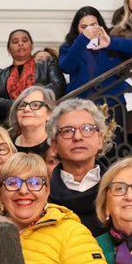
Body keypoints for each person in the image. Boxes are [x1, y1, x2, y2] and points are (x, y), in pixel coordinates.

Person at [57, 8, 132, 107]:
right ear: (77, 29)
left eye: (93, 25)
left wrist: (111, 43)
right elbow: (66, 67)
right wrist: (82, 40)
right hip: (81, 104)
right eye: (84, 27)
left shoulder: (111, 41)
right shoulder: (69, 46)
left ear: (100, 25)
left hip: (112, 102)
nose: (89, 30)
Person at [48, 98, 111, 231]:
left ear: (100, 140)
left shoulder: (119, 189)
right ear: (54, 145)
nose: (77, 137)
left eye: (87, 129)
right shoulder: (43, 197)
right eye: (67, 131)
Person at [0, 28, 60, 120]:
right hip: (9, 125)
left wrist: (32, 101)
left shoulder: (48, 65)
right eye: (15, 42)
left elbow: (57, 86)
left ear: (32, 46)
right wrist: (16, 105)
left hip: (43, 122)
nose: (20, 44)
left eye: (25, 40)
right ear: (8, 49)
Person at [9, 85, 59, 160]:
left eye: (35, 105)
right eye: (22, 105)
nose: (26, 109)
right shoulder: (7, 146)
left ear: (49, 114)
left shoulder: (57, 146)